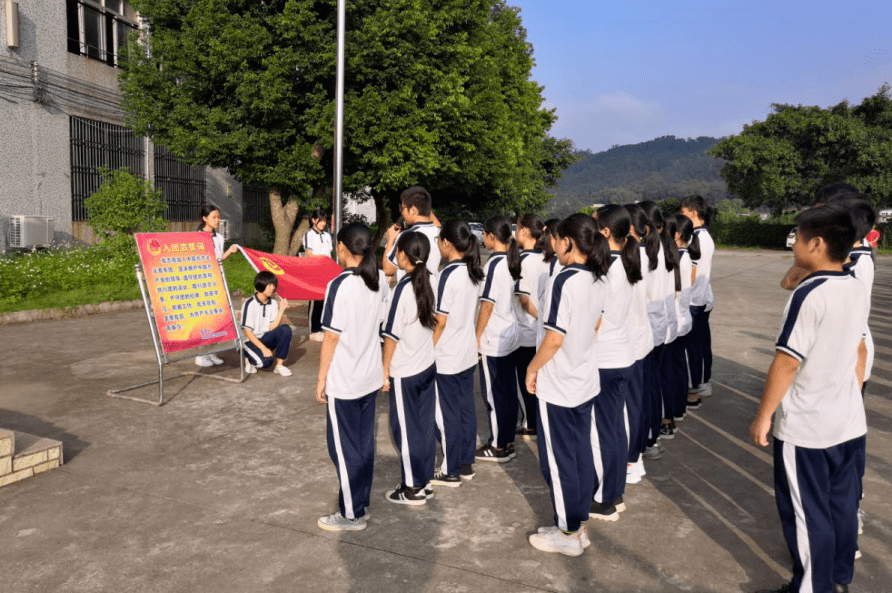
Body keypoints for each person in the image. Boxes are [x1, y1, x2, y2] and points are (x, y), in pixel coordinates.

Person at [750, 202, 868, 593]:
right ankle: (837, 577)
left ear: (816, 243)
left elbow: (787, 363)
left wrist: (764, 415)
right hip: (848, 419)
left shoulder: (810, 294)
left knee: (807, 514)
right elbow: (858, 351)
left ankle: (812, 587)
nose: (793, 244)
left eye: (797, 238)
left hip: (808, 427)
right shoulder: (854, 286)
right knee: (841, 506)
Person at [524, 213, 609, 557]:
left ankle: (568, 532)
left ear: (569, 242)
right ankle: (577, 524)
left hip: (559, 384)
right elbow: (595, 326)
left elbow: (554, 338)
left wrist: (532, 369)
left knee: (559, 462)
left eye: (555, 238)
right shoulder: (598, 279)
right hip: (583, 379)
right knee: (579, 454)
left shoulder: (565, 280)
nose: (551, 244)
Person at [315, 223, 387, 531]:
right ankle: (361, 503)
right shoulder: (379, 279)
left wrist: (321, 380)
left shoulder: (339, 285)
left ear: (342, 247)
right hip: (369, 376)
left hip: (345, 380)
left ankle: (351, 513)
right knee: (362, 443)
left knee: (343, 448)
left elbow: (330, 338)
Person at [589, 205, 641, 520]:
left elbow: (595, 319)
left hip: (603, 358)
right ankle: (615, 492)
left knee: (600, 431)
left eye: (595, 227)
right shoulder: (627, 263)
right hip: (621, 354)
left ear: (606, 232)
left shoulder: (606, 268)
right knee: (614, 428)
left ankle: (604, 499)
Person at [381, 232, 438, 505]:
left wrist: (384, 370)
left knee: (404, 428)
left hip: (405, 370)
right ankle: (423, 480)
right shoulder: (432, 279)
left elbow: (391, 335)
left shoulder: (402, 289)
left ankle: (412, 488)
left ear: (403, 255)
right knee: (424, 426)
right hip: (427, 365)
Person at [430, 220, 485, 485]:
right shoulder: (472, 271)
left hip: (447, 354)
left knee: (447, 413)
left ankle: (451, 470)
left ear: (447, 243)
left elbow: (440, 320)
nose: (438, 245)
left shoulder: (447, 275)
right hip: (465, 351)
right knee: (465, 409)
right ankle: (464, 463)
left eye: (439, 240)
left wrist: (427, 347)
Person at [475, 215, 522, 463]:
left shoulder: (494, 264)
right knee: (507, 391)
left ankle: (497, 446)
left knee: (494, 393)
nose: (482, 238)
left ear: (492, 236)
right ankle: (507, 440)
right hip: (510, 332)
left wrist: (477, 336)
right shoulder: (512, 261)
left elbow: (487, 305)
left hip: (495, 337)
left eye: (484, 234)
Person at [513, 214, 553, 440]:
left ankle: (530, 423)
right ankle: (535, 420)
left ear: (525, 231)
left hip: (528, 329)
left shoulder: (523, 260)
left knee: (525, 380)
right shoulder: (548, 258)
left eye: (517, 228)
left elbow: (524, 301)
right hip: (542, 331)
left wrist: (540, 318)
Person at [622, 204, 655, 484]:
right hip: (640, 338)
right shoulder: (647, 255)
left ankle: (631, 460)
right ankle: (635, 456)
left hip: (628, 341)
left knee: (628, 405)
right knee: (635, 402)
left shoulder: (628, 258)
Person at [680, 195, 716, 400]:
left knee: (696, 345)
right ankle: (700, 381)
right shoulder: (701, 236)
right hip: (698, 298)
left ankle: (700, 383)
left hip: (696, 300)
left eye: (683, 212)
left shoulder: (698, 238)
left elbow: (693, 275)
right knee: (699, 344)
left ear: (694, 212)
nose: (681, 216)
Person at [195, 204, 239, 367]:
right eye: (214, 217)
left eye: (218, 217)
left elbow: (218, 259)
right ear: (204, 218)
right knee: (205, 320)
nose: (217, 220)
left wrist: (230, 251)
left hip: (218, 281)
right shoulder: (197, 237)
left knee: (217, 319)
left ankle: (211, 352)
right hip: (203, 284)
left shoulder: (219, 238)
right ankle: (201, 354)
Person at [383, 186, 441, 283]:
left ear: (413, 210)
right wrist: (424, 207)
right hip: (432, 292)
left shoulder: (407, 236)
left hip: (410, 291)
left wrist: (390, 240)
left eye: (402, 207)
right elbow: (437, 224)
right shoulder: (439, 234)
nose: (402, 212)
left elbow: (388, 269)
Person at [240, 271, 293, 377]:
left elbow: (272, 327)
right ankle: (249, 359)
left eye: (274, 285)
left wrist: (281, 309)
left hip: (265, 338)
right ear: (260, 284)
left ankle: (279, 366)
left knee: (285, 329)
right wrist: (263, 348)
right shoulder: (249, 303)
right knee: (266, 362)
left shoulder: (273, 303)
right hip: (249, 341)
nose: (272, 288)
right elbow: (247, 332)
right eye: (269, 285)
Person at [671, 215, 697, 421]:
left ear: (677, 234)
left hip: (677, 321)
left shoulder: (678, 257)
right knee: (679, 367)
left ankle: (674, 410)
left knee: (674, 369)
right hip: (683, 318)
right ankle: (679, 408)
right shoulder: (685, 255)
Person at [303, 208, 334, 342]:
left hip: (327, 272)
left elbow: (330, 254)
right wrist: (321, 258)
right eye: (320, 221)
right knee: (315, 300)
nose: (323, 224)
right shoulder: (309, 234)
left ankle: (323, 327)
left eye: (324, 221)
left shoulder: (327, 236)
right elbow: (308, 254)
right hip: (314, 272)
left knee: (326, 300)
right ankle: (314, 329)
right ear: (314, 220)